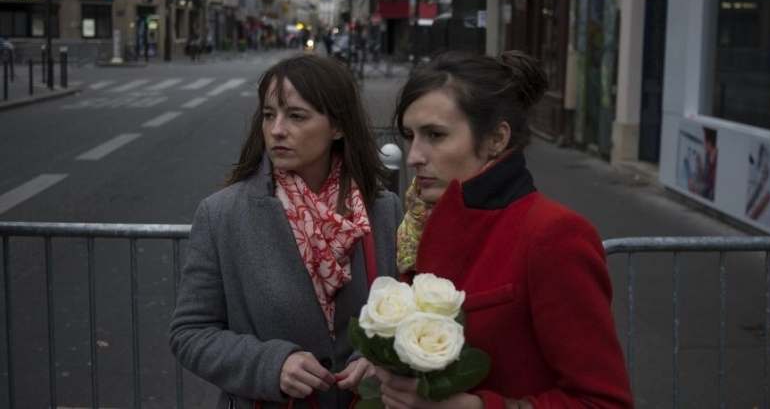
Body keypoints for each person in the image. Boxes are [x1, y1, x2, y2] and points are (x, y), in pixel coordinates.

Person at [380, 51, 634, 409]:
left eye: (435, 135)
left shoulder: (553, 234)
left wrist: (477, 408)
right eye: (410, 136)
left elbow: (603, 401)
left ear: (496, 138)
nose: (413, 156)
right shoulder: (419, 222)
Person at [169, 54, 403, 409]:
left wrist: (379, 357)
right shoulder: (223, 214)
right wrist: (270, 365)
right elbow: (190, 333)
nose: (277, 129)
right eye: (269, 115)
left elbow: (408, 317)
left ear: (338, 126)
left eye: (296, 116)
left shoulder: (383, 210)